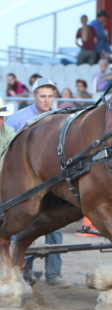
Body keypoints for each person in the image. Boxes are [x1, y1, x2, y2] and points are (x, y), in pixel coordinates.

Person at [5, 78, 70, 288]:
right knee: (23, 224)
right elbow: (6, 147)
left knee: (55, 227)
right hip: (26, 182)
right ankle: (22, 271)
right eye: (42, 96)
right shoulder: (18, 119)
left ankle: (54, 274)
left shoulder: (61, 117)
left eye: (50, 96)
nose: (46, 100)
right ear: (34, 96)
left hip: (52, 181)